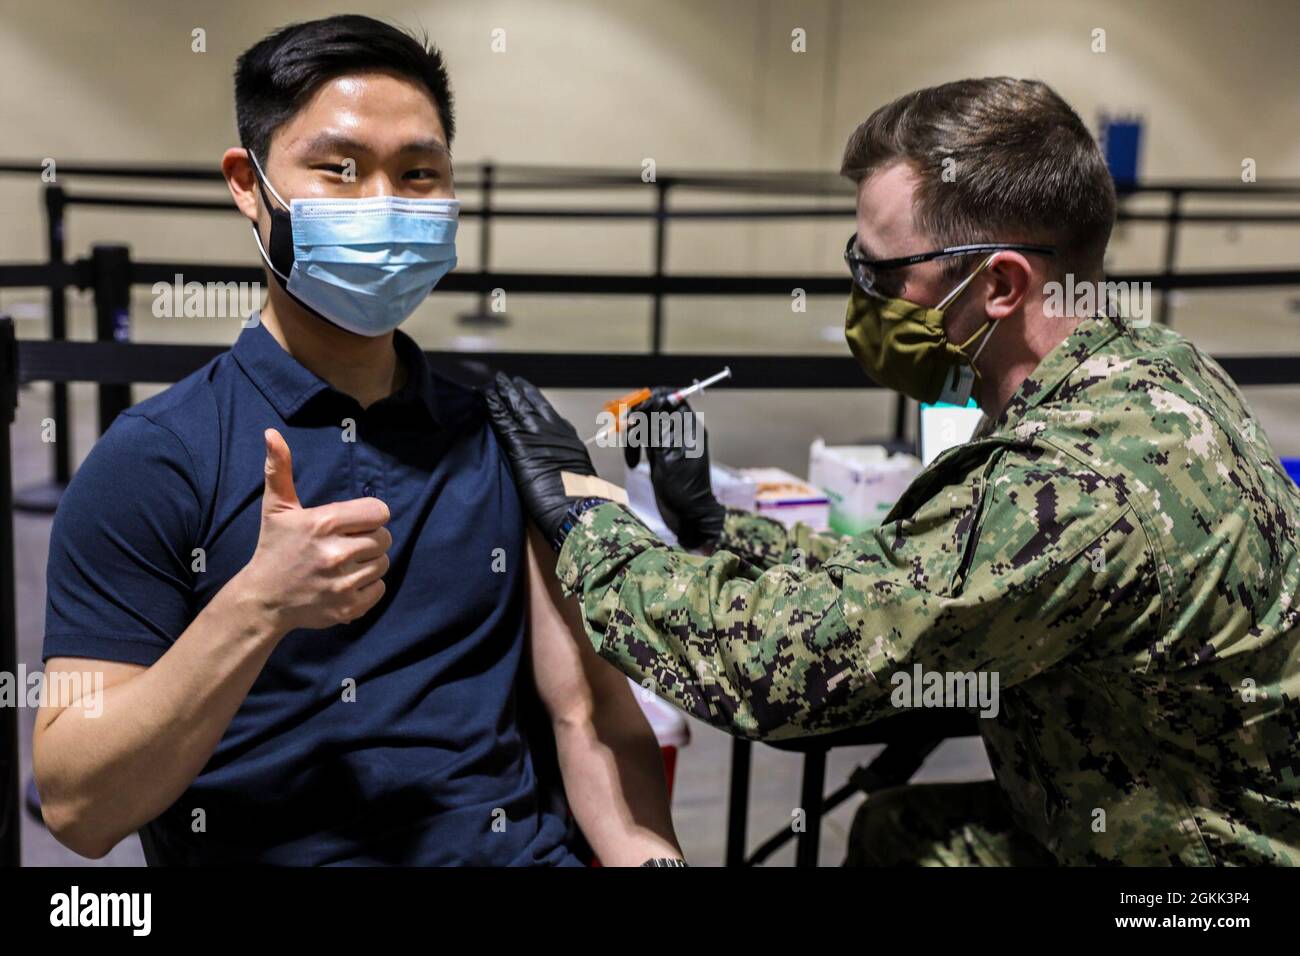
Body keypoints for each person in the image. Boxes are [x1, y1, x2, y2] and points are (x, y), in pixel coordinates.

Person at [486, 77, 1300, 866]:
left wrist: (585, 523)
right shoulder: (1147, 368)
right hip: (1159, 810)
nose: (866, 299)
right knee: (898, 831)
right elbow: (911, 577)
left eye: (884, 274)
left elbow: (783, 667)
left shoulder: (1076, 481)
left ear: (1001, 285)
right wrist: (712, 527)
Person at [33, 15, 682, 866]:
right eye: (338, 170)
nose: (383, 204)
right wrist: (257, 606)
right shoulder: (155, 459)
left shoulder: (506, 434)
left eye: (419, 174)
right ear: (249, 183)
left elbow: (590, 717)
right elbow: (80, 807)